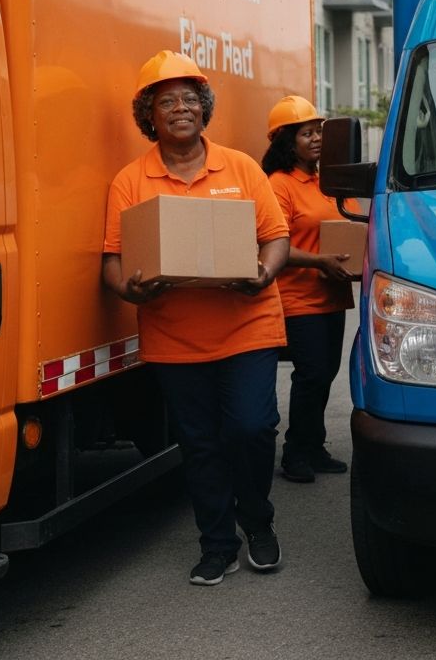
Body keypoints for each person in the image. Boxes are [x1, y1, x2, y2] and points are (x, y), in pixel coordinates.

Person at [102, 50, 290, 586]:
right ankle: (217, 544)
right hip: (174, 337)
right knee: (200, 444)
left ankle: (257, 519)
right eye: (166, 102)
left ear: (204, 108)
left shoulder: (241, 167)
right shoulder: (130, 181)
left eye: (189, 99)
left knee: (252, 428)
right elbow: (113, 261)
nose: (180, 108)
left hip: (247, 324)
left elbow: (276, 237)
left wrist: (263, 273)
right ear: (149, 116)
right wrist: (130, 289)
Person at [262, 96, 357, 484]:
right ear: (287, 141)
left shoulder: (328, 181)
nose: (317, 138)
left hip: (333, 295)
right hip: (299, 299)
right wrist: (319, 262)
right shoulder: (279, 185)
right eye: (306, 133)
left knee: (326, 374)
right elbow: (273, 243)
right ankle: (295, 452)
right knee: (312, 375)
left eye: (319, 131)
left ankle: (314, 447)